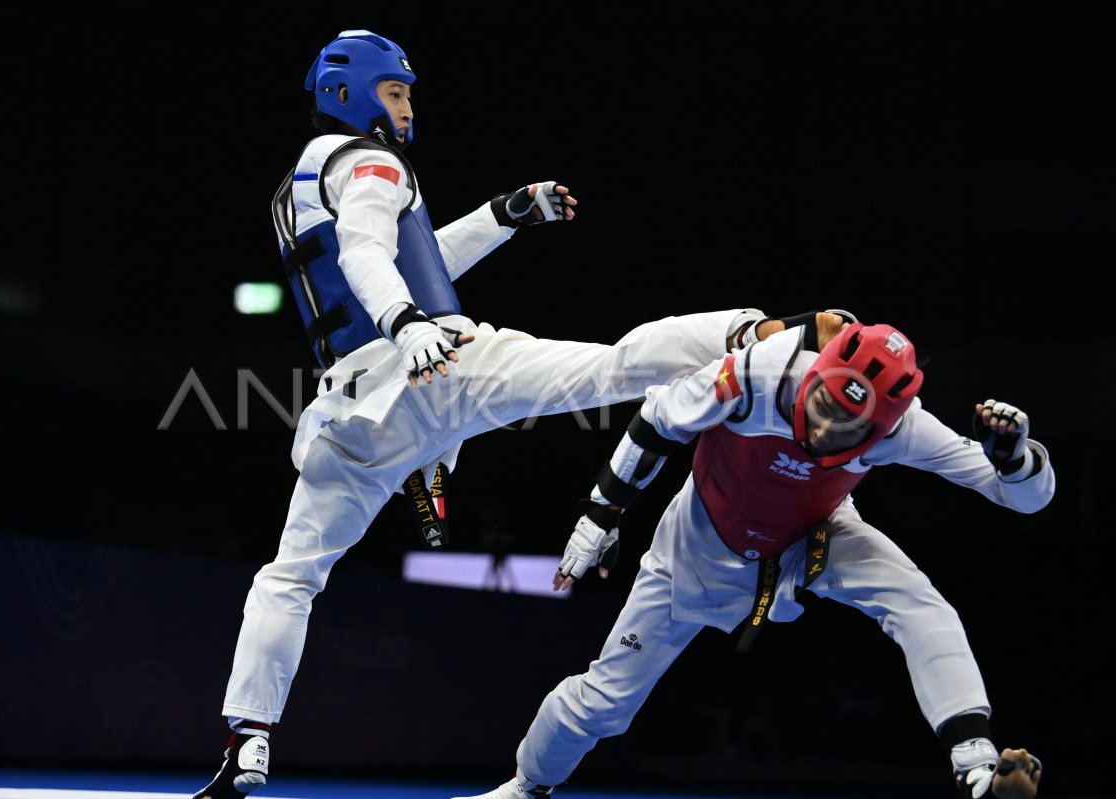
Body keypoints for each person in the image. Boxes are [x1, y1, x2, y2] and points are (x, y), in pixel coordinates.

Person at [192, 27, 826, 799]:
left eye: (408, 93)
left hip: (356, 410)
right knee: (610, 368)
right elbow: (367, 253)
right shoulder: (369, 160)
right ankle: (755, 334)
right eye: (395, 92)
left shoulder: (305, 179)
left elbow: (404, 258)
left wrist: (503, 215)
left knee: (290, 575)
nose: (408, 108)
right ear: (348, 94)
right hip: (436, 366)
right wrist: (408, 324)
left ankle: (248, 738)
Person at [453, 321, 1051, 799]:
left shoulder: (903, 429)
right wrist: (599, 515)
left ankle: (974, 766)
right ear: (816, 370)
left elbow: (1024, 498)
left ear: (881, 429)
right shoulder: (754, 375)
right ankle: (525, 788)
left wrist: (1015, 460)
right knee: (603, 704)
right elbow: (656, 422)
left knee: (917, 600)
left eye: (848, 426)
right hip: (695, 549)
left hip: (809, 540)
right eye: (823, 401)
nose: (824, 427)